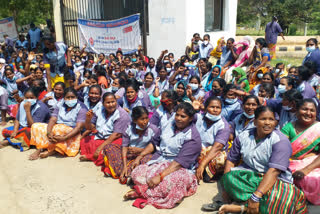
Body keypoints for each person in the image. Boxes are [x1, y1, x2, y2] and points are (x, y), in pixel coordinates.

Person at [203, 106, 307, 214]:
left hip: (275, 179)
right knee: (229, 178)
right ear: (255, 121)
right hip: (251, 176)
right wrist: (225, 189)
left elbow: (274, 171)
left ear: (276, 122)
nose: (267, 123)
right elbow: (231, 160)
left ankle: (243, 207)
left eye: (271, 119)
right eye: (263, 119)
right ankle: (247, 206)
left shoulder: (280, 141)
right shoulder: (243, 136)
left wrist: (256, 196)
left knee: (279, 200)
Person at [123, 102, 201, 209]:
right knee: (137, 172)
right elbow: (154, 143)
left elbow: (179, 163)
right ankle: (149, 190)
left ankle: (142, 192)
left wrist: (160, 176)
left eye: (183, 116)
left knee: (172, 182)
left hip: (180, 168)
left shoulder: (193, 137)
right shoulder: (168, 124)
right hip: (161, 160)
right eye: (177, 115)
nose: (178, 118)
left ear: (191, 118)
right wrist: (139, 156)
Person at [103, 106, 158, 183]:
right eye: (142, 119)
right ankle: (125, 170)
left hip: (144, 155)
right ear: (135, 120)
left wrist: (140, 151)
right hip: (129, 154)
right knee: (109, 147)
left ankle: (125, 173)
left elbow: (156, 148)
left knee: (150, 159)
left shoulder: (153, 129)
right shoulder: (128, 126)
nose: (145, 121)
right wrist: (124, 166)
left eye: (146, 118)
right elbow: (124, 146)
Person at [29, 87, 87, 160]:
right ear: (64, 98)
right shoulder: (60, 104)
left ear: (77, 97)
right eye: (67, 97)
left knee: (59, 129)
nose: (70, 99)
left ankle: (48, 150)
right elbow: (53, 119)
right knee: (35, 126)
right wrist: (49, 132)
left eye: (72, 97)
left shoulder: (82, 108)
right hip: (58, 127)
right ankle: (44, 147)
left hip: (72, 131)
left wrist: (64, 138)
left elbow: (79, 127)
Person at [281, 99, 320, 205]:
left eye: (312, 110)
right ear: (297, 111)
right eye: (304, 109)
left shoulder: (318, 128)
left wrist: (306, 169)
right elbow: (281, 149)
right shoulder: (288, 127)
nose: (308, 113)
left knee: (314, 179)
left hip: (313, 165)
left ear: (316, 113)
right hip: (290, 163)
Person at [79, 92, 131, 166]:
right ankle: (95, 154)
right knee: (86, 140)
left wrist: (100, 148)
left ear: (116, 101)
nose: (111, 104)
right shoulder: (100, 110)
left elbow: (116, 135)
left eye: (113, 102)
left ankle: (92, 156)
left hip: (116, 139)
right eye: (108, 102)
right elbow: (90, 128)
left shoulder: (121, 114)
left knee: (109, 149)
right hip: (102, 137)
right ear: (103, 103)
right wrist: (88, 119)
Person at [193, 96, 231, 182]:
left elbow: (217, 147)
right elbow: (185, 118)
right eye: (212, 107)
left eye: (218, 107)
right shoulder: (199, 117)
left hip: (214, 152)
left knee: (221, 159)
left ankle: (210, 171)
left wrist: (202, 165)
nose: (215, 110)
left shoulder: (223, 125)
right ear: (205, 108)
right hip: (199, 149)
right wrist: (194, 109)